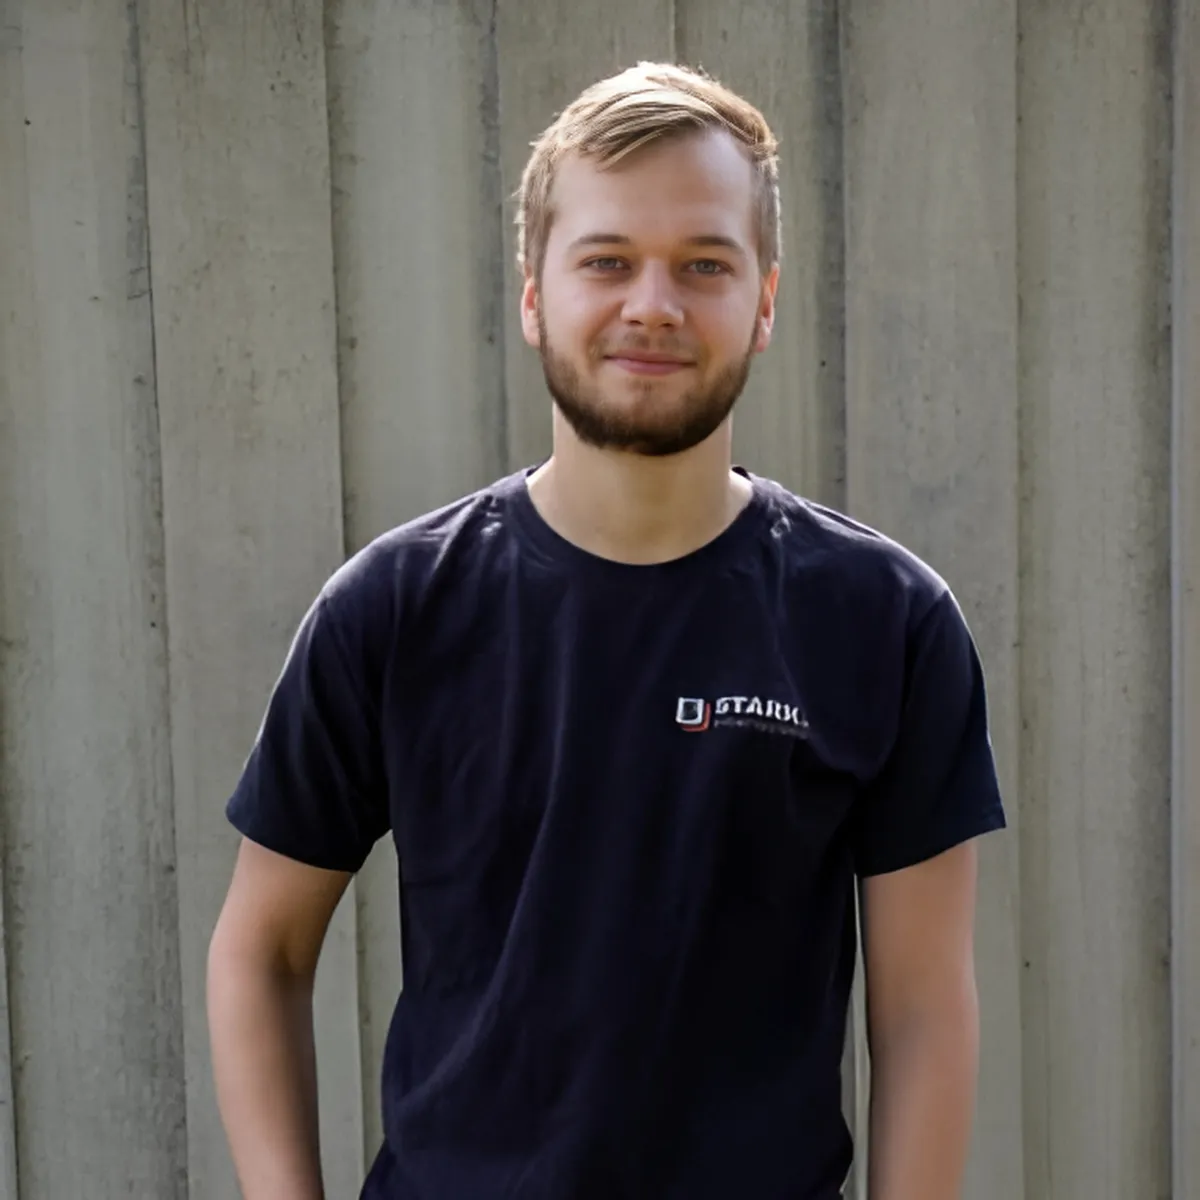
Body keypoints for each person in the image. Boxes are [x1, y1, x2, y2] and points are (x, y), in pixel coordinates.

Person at [207, 61, 1006, 1200]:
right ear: (534, 295)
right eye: (607, 261)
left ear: (765, 301)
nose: (653, 305)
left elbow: (923, 1008)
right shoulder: (392, 611)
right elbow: (261, 952)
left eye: (705, 264)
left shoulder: (886, 621)